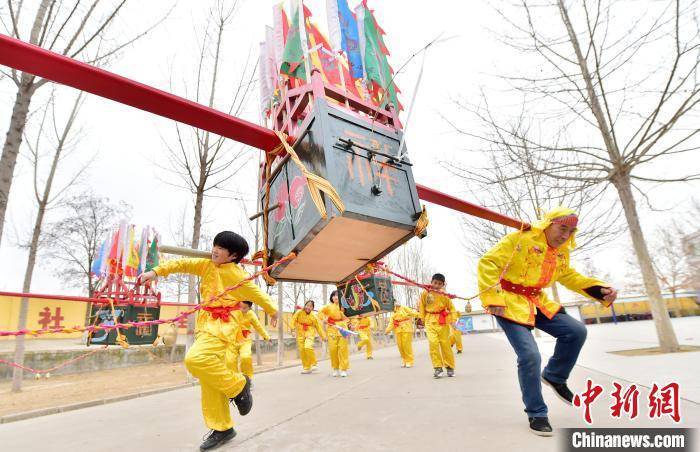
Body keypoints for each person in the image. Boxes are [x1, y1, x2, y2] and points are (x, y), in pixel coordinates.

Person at [478, 207, 618, 437]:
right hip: (509, 303)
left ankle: (555, 376)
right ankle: (537, 412)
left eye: (571, 231)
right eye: (562, 228)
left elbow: (569, 276)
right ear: (548, 224)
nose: (565, 235)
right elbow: (488, 262)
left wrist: (600, 290)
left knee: (576, 331)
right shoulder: (519, 238)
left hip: (537, 300)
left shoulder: (562, 252)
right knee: (530, 355)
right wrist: (492, 297)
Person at [139, 231, 278, 451]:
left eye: (222, 248)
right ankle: (222, 428)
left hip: (224, 326)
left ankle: (239, 385)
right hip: (205, 325)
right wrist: (155, 272)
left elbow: (256, 293)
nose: (215, 250)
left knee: (195, 360)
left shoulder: (236, 274)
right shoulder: (205, 266)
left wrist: (273, 310)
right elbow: (181, 264)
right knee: (211, 382)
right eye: (215, 245)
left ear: (233, 256)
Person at [419, 274, 458, 378]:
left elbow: (452, 308)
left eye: (439, 284)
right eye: (435, 283)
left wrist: (453, 320)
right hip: (429, 320)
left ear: (443, 285)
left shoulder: (445, 295)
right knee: (433, 344)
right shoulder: (425, 293)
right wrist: (421, 319)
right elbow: (422, 306)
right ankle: (438, 368)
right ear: (431, 282)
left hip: (442, 322)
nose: (437, 285)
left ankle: (450, 367)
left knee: (445, 345)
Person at [230, 301, 270, 381]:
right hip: (232, 339)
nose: (241, 309)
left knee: (245, 357)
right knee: (230, 360)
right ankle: (234, 380)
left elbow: (258, 326)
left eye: (244, 308)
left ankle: (247, 379)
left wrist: (266, 336)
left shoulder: (251, 314)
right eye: (240, 307)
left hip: (245, 339)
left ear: (249, 308)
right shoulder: (233, 310)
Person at [319, 290, 351, 377]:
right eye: (333, 295)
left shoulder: (345, 305)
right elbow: (320, 312)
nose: (335, 297)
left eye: (337, 295)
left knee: (343, 349)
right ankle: (335, 369)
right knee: (333, 349)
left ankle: (343, 369)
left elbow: (350, 316)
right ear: (332, 298)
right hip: (332, 328)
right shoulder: (328, 307)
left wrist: (350, 324)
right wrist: (324, 319)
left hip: (342, 328)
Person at [291, 300, 326, 374]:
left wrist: (323, 337)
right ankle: (307, 368)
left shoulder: (314, 316)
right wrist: (293, 330)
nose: (308, 307)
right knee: (302, 351)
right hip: (300, 333)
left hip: (310, 332)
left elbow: (319, 327)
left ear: (312, 308)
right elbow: (293, 320)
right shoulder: (299, 312)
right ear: (304, 305)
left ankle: (314, 364)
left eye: (310, 306)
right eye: (307, 305)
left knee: (308, 346)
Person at [385, 302, 420, 367]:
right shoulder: (393, 312)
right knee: (400, 346)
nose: (395, 304)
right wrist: (387, 330)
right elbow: (391, 322)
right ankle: (404, 361)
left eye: (395, 302)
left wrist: (420, 314)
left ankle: (409, 361)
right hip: (398, 330)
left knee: (406, 346)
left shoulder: (404, 308)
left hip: (406, 328)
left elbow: (412, 312)